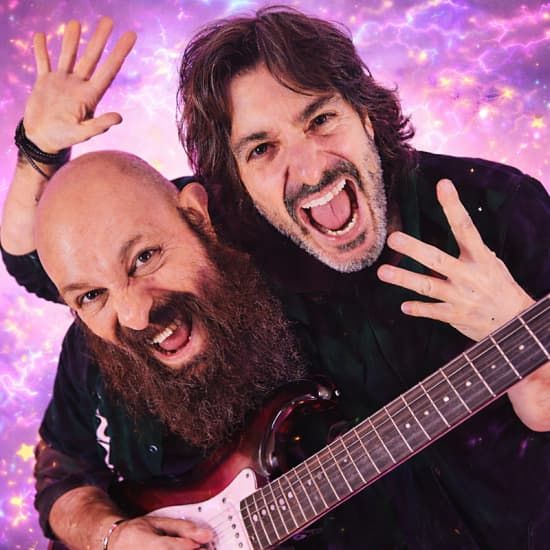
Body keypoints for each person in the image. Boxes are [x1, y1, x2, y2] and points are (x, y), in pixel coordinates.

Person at [1, 8, 549, 549]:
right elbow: (54, 258)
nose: (309, 169)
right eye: (262, 149)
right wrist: (38, 151)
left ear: (364, 111)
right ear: (231, 181)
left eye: (320, 119)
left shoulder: (497, 210)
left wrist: (528, 346)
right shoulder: (226, 242)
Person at [32, 149, 308, 548]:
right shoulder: (88, 351)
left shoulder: (304, 280)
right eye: (91, 295)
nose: (135, 315)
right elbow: (60, 469)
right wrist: (110, 536)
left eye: (144, 257)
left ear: (196, 217)